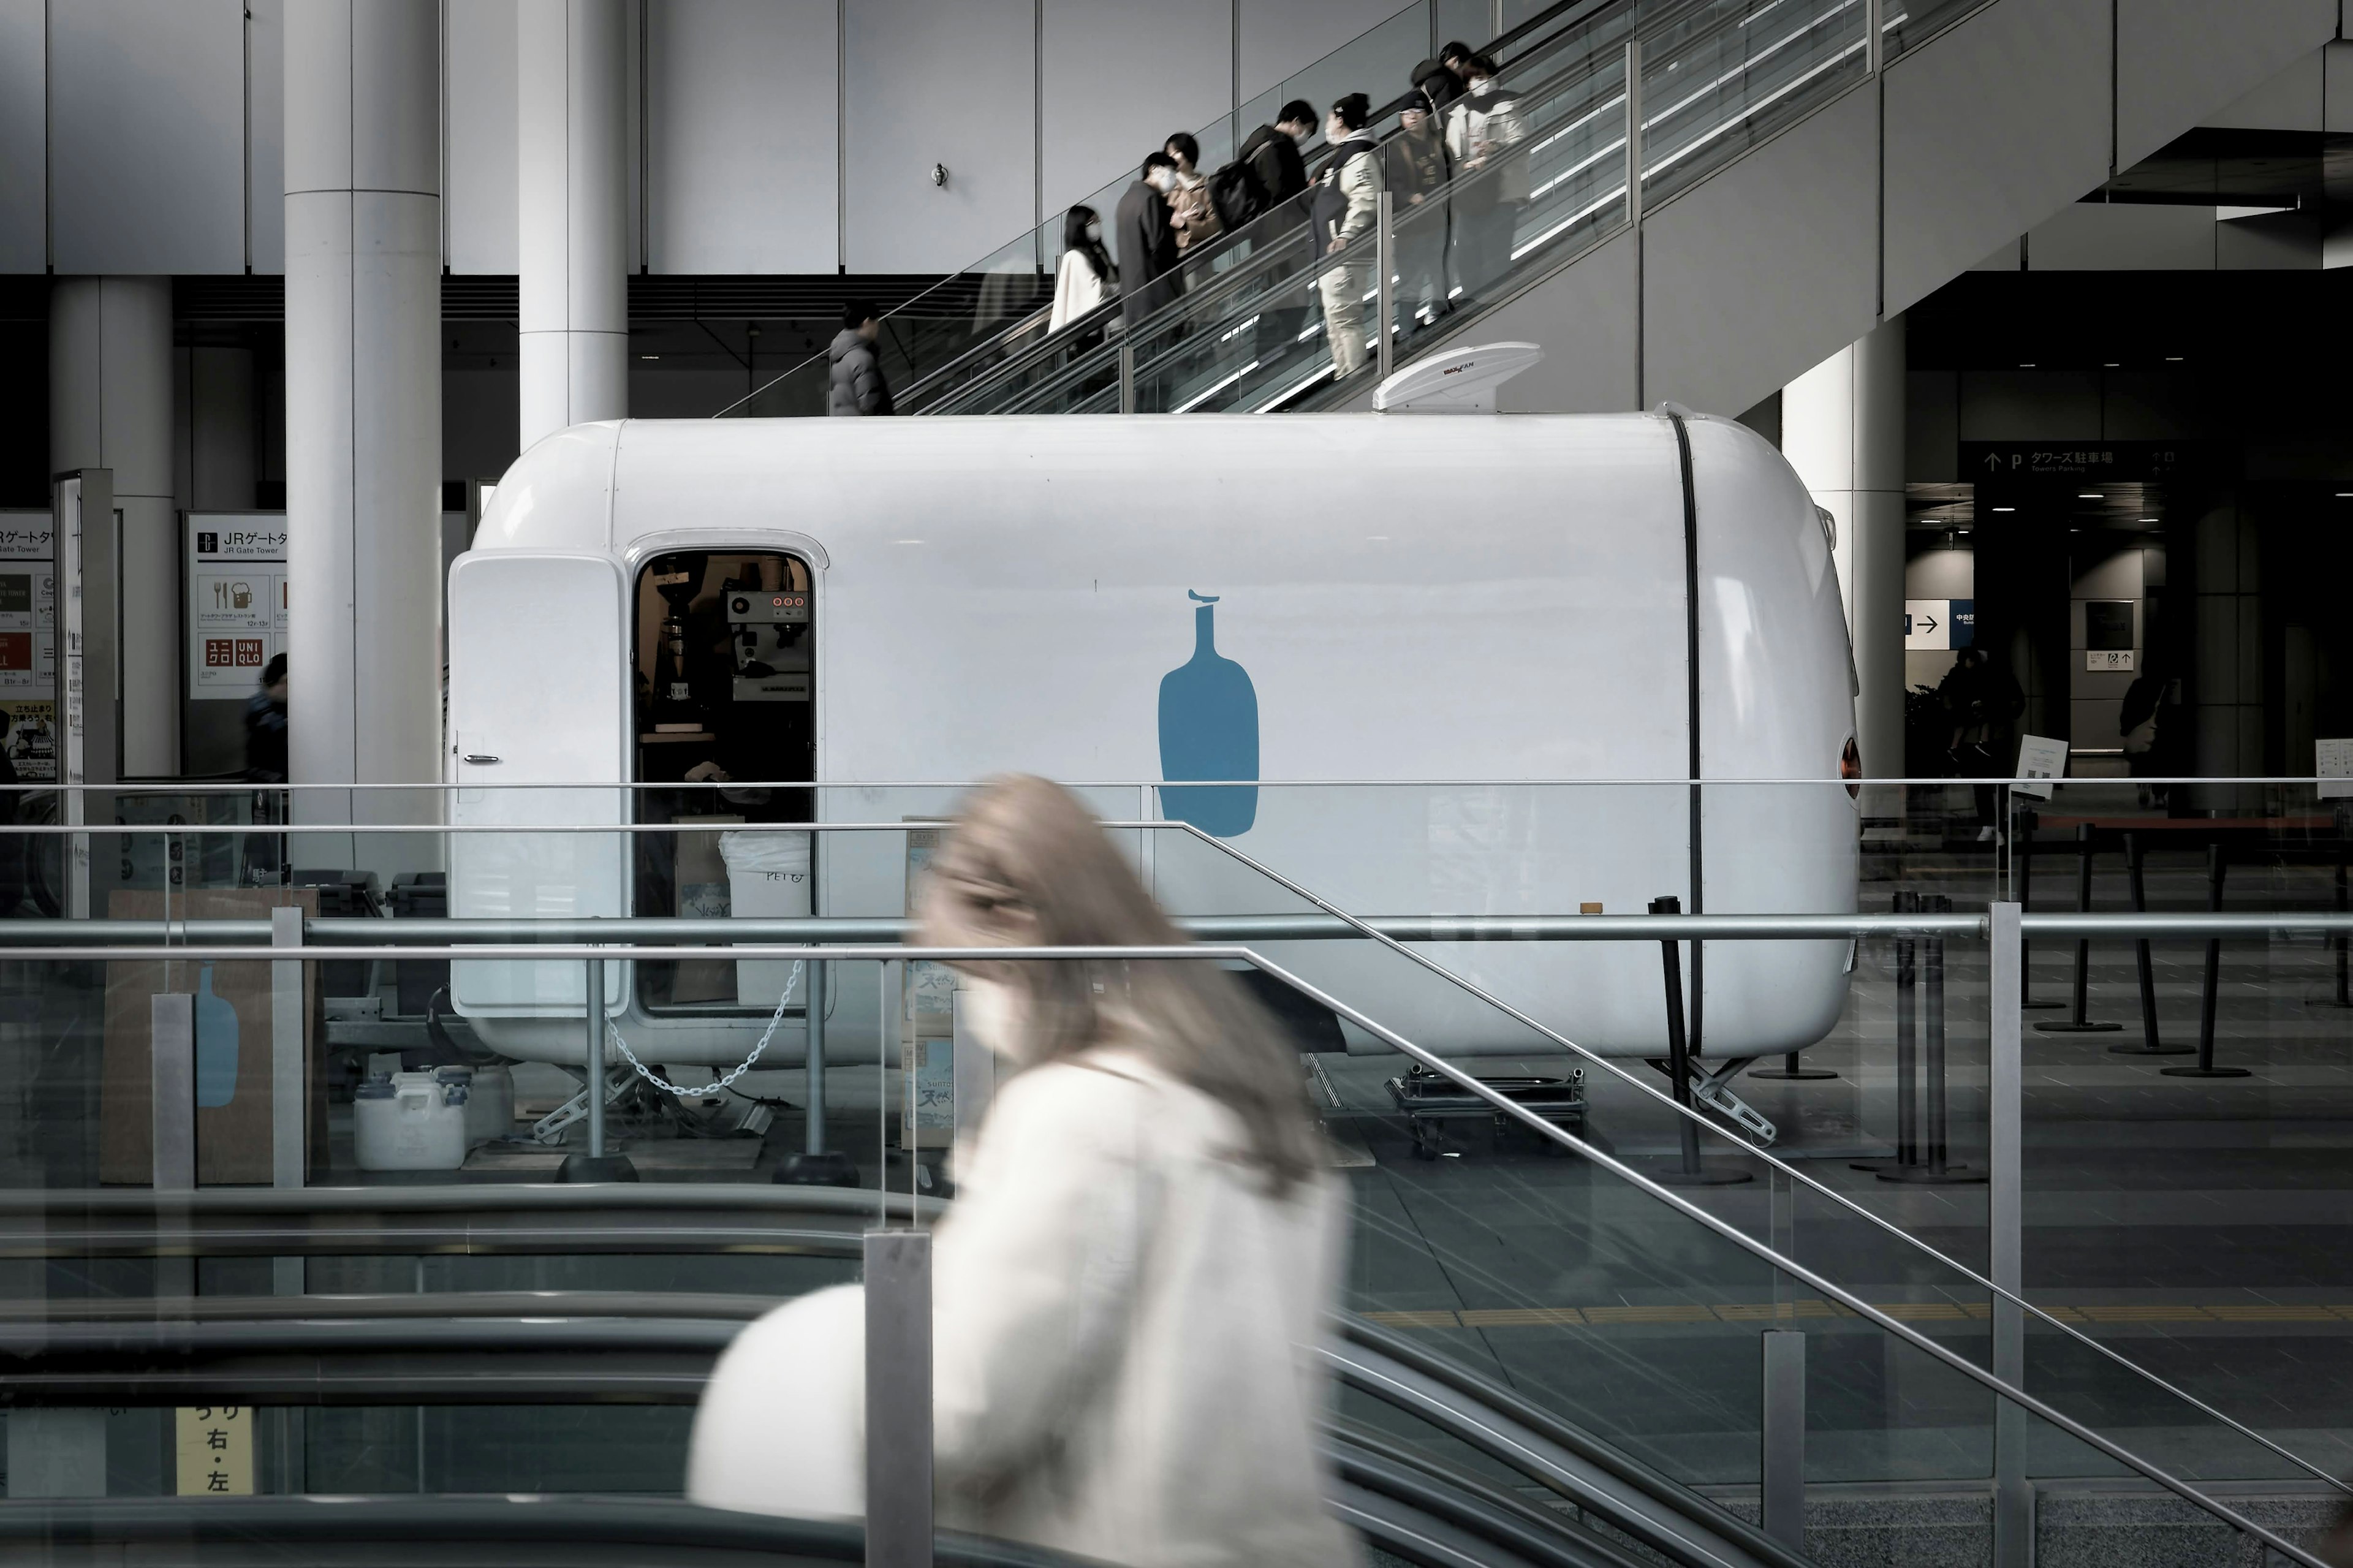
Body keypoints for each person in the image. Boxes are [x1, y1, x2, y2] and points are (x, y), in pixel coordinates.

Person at [688, 776, 1351, 1567]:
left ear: (1015, 924)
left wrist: (800, 1353)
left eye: (957, 965)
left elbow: (965, 1408)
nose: (961, 993)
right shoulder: (1245, 1088)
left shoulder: (1078, 1111)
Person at [1309, 93, 1383, 379]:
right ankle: (1345, 379)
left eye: (1329, 118)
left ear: (1340, 119)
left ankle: (1355, 383)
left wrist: (1346, 235)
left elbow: (1366, 197)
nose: (1328, 124)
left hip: (1344, 254)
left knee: (1346, 321)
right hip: (1333, 256)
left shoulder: (1357, 154)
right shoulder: (1346, 153)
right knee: (1336, 323)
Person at [1238, 101, 1318, 365]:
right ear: (1295, 122)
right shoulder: (1279, 148)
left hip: (1265, 237)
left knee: (1278, 295)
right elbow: (1280, 193)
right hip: (1284, 236)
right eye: (1306, 129)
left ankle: (1272, 356)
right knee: (1288, 298)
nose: (1304, 137)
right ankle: (1275, 358)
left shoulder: (1256, 144)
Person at [1445, 53, 1528, 297]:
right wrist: (1466, 166)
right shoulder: (1459, 114)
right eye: (1476, 78)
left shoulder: (1508, 108)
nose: (1482, 82)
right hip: (1470, 194)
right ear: (1467, 83)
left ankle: (1496, 306)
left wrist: (1496, 150)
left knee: (1496, 255)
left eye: (1487, 77)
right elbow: (1450, 155)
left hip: (1502, 193)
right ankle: (1475, 304)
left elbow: (1522, 146)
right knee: (1466, 257)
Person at [1387, 70, 1455, 333]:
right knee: (1410, 282)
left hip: (1437, 221)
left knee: (1439, 274)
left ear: (1427, 115)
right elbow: (1391, 184)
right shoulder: (1395, 146)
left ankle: (1439, 317)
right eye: (1407, 115)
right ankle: (1406, 333)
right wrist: (1409, 197)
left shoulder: (1438, 141)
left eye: (1417, 113)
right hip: (1409, 227)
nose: (1413, 118)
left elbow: (1449, 173)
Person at [1937, 646, 2025, 838]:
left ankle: (1994, 824)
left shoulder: (1997, 676)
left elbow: (2016, 704)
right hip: (1981, 738)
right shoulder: (1970, 675)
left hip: (1990, 737)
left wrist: (1989, 708)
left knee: (1993, 782)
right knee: (1984, 783)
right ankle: (1991, 824)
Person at [1115, 151, 1183, 335]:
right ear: (1153, 169)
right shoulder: (1151, 198)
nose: (1174, 179)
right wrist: (1176, 227)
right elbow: (1159, 245)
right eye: (1171, 172)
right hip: (1156, 294)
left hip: (1133, 296)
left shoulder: (1126, 200)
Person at [1048, 204, 1118, 347]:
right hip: (1086, 334)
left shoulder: (1098, 251)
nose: (1097, 226)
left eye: (1098, 222)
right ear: (1079, 226)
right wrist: (1117, 288)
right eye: (1092, 222)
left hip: (1102, 327)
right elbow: (1094, 291)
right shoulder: (1074, 257)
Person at [827, 300, 892, 415]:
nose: (878, 328)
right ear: (867, 322)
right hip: (867, 431)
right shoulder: (863, 360)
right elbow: (872, 407)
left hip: (849, 428)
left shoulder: (841, 356)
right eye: (876, 322)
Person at [1164, 132, 1222, 255]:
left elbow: (1215, 225)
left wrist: (1186, 225)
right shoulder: (1167, 190)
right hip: (1174, 257)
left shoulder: (1206, 185)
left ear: (1188, 151)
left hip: (1203, 253)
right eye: (1169, 155)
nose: (1173, 158)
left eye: (1177, 152)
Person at [244, 654, 288, 784]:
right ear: (273, 684)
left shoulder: (274, 710)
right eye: (286, 682)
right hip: (269, 789)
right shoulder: (263, 716)